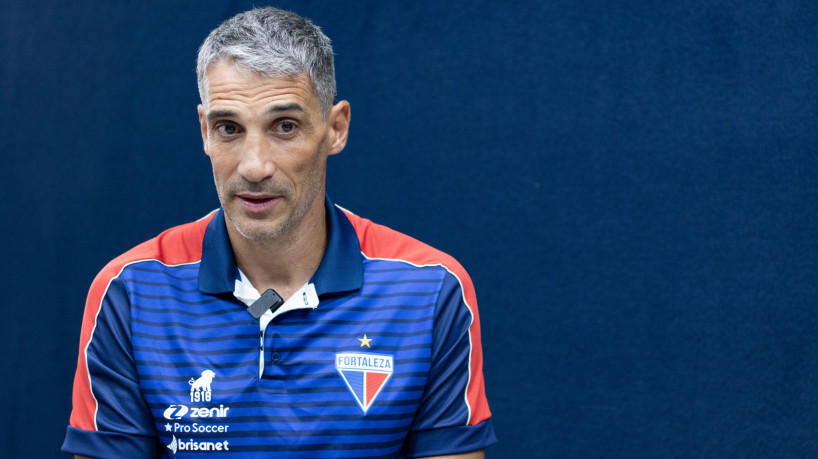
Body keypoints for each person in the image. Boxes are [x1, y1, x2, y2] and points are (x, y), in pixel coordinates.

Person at [61, 7, 495, 458]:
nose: (254, 167)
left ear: (336, 129)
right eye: (229, 128)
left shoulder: (429, 289)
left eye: (284, 126)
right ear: (204, 132)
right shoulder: (130, 291)